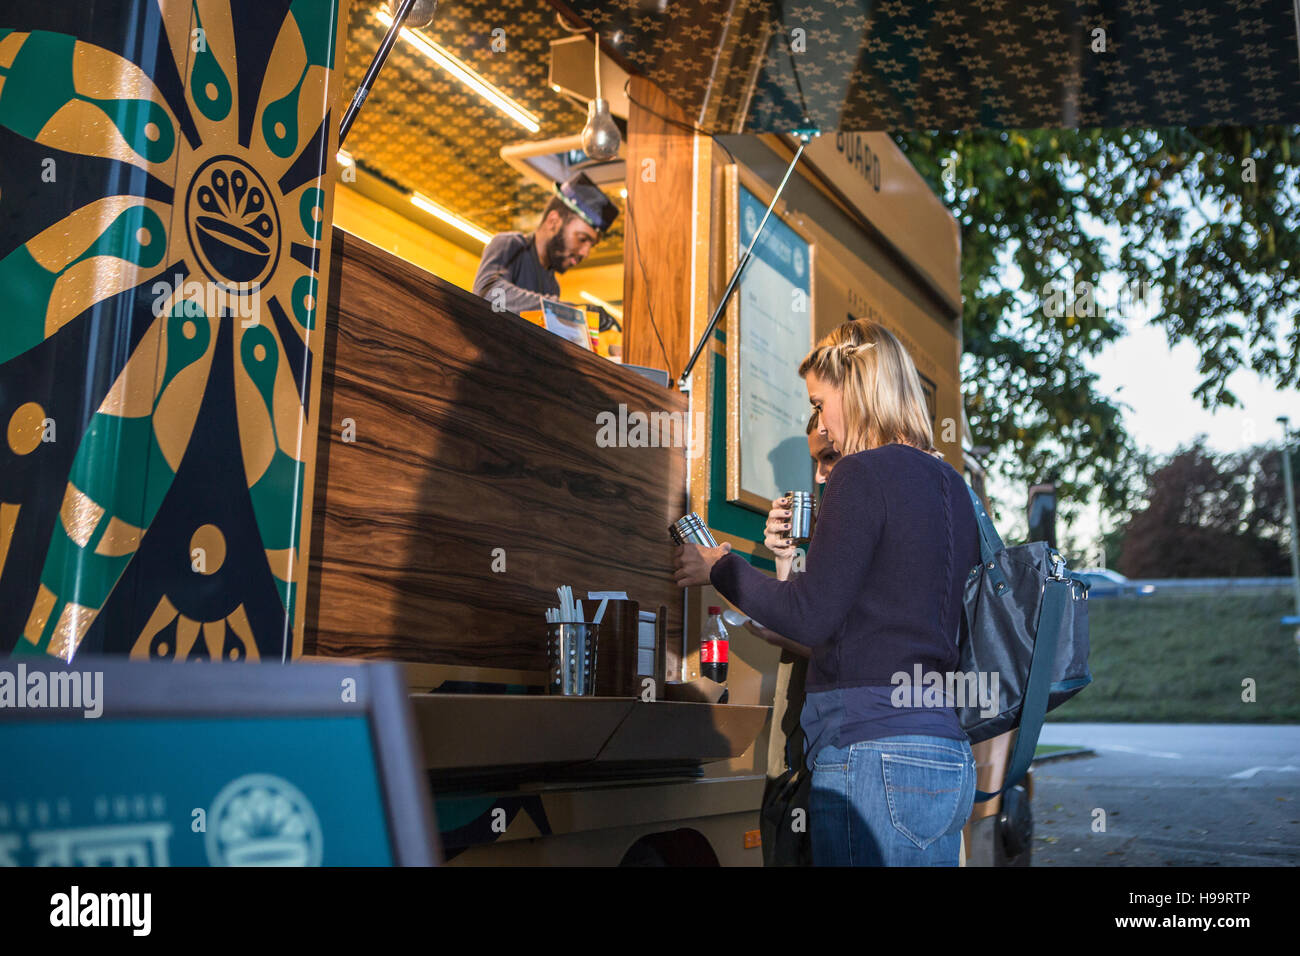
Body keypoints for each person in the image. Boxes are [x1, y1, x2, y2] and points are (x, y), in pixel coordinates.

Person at [673, 319, 980, 866]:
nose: (821, 422)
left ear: (857, 387)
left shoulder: (861, 474)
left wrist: (721, 565)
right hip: (945, 754)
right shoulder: (951, 486)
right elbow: (874, 627)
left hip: (872, 755)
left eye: (820, 402)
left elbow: (810, 617)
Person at [754, 413, 839, 866]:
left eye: (829, 457)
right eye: (815, 464)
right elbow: (802, 612)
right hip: (800, 744)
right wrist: (785, 560)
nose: (821, 475)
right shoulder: (827, 526)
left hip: (837, 748)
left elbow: (849, 645)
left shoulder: (873, 518)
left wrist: (774, 628)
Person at [471, 171, 618, 315]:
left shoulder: (552, 286)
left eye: (591, 245)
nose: (585, 253)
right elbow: (488, 293)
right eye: (582, 239)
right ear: (553, 221)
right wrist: (563, 310)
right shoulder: (510, 245)